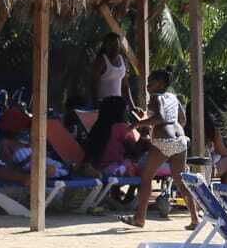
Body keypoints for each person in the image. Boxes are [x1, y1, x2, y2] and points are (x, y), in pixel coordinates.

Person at [123, 69, 202, 231]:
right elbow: (182, 120)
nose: (147, 85)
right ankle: (195, 219)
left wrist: (138, 124)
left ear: (161, 83)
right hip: (180, 140)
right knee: (180, 181)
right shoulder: (173, 97)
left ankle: (139, 219)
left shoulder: (154, 97)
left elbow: (160, 118)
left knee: (146, 177)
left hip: (163, 141)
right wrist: (148, 119)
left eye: (150, 82)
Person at [80, 94, 143, 177]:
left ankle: (117, 190)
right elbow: (133, 150)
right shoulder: (122, 127)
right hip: (115, 168)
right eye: (126, 110)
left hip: (97, 168)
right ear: (120, 112)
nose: (128, 113)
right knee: (141, 166)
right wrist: (143, 136)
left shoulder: (98, 126)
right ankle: (133, 189)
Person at [91, 33, 131, 105]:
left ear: (119, 46)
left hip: (118, 104)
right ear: (105, 46)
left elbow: (125, 86)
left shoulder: (123, 60)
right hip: (103, 105)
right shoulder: (100, 61)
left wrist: (132, 106)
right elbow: (93, 85)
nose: (114, 48)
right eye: (111, 45)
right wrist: (95, 104)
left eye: (116, 45)